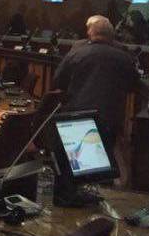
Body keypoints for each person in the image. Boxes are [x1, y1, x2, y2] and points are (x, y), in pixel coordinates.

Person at [53, 15, 140, 144]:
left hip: (78, 114)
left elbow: (58, 81)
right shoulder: (124, 58)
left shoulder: (77, 53)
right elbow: (133, 85)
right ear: (111, 35)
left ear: (90, 33)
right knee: (106, 154)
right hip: (111, 117)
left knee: (77, 155)